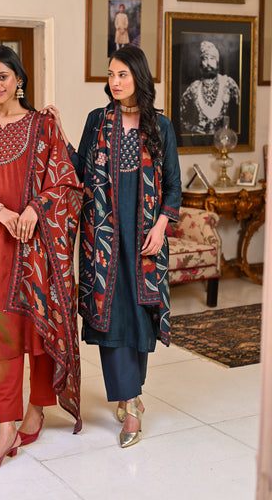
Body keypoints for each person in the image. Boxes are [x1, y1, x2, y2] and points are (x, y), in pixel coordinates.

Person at [0, 45, 82, 473]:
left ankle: (36, 410)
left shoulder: (42, 125)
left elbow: (66, 181)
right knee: (3, 334)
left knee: (38, 326)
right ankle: (6, 428)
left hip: (37, 241)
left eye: (2, 76)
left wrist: (35, 209)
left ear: (19, 78)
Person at [44, 45, 181, 449]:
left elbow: (173, 186)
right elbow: (79, 171)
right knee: (110, 318)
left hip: (144, 241)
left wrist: (161, 227)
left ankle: (129, 391)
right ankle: (132, 404)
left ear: (139, 77)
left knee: (139, 316)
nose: (115, 82)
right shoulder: (98, 121)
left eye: (122, 74)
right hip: (101, 240)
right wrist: (61, 133)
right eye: (111, 74)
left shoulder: (160, 126)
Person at [180, 40, 240, 134]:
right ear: (201, 63)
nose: (208, 63)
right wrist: (193, 129)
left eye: (212, 58)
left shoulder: (228, 84)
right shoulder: (194, 88)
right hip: (200, 141)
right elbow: (181, 119)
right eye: (205, 59)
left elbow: (240, 115)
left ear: (217, 62)